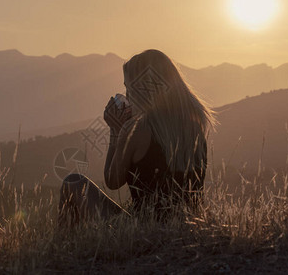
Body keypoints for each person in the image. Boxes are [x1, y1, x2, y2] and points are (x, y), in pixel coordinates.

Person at [58, 49, 216, 226]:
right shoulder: (194, 124)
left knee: (73, 182)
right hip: (187, 225)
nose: (127, 95)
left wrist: (115, 130)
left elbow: (112, 180)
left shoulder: (139, 129)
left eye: (128, 87)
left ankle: (65, 248)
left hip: (143, 228)